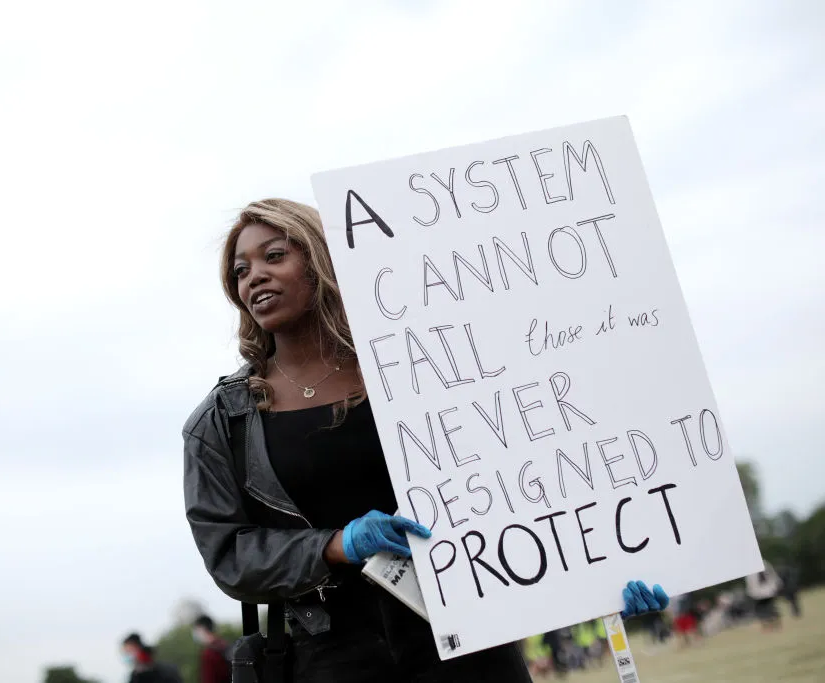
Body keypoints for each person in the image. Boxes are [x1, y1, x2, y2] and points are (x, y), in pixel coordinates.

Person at [182, 199, 670, 683]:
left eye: (274, 256)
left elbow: (525, 487)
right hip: (333, 657)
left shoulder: (429, 369)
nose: (254, 278)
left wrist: (601, 581)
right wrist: (335, 545)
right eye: (240, 271)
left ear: (320, 261)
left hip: (470, 643)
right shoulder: (222, 422)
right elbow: (229, 554)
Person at [192, 614, 231, 683]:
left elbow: (209, 679)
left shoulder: (209, 653)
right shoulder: (224, 645)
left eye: (196, 630)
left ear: (202, 629)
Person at [745, 561, 783, 631]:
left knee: (770, 608)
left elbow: (772, 575)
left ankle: (776, 625)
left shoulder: (763, 564)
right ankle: (768, 627)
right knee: (762, 610)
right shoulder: (751, 566)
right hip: (759, 593)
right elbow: (750, 582)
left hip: (767, 590)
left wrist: (776, 584)